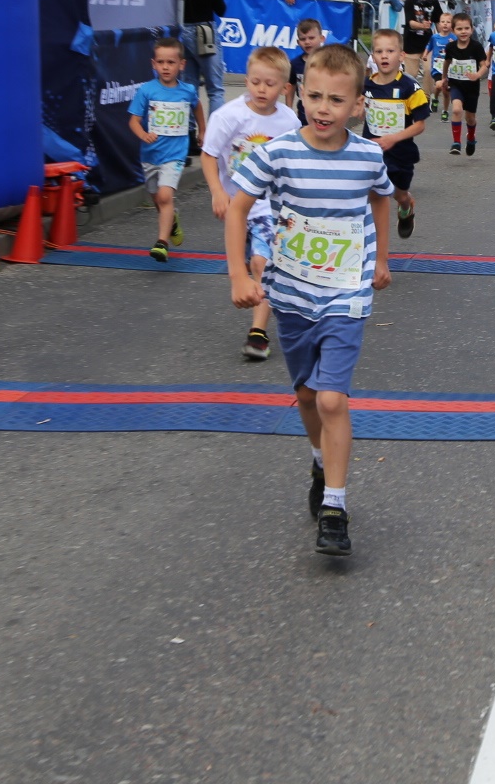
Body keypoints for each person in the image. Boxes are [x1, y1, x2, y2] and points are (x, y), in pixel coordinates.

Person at [226, 43, 394, 557]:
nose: (324, 109)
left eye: (336, 100)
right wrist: (238, 274)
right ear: (299, 94)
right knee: (304, 395)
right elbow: (237, 208)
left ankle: (335, 509)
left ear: (357, 105)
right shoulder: (277, 153)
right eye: (315, 96)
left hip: (346, 291)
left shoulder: (367, 156)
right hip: (291, 293)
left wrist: (381, 260)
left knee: (330, 398)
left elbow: (381, 198)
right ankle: (320, 463)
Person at [201, 45, 301, 361]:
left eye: (270, 84)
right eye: (256, 82)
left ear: (284, 87)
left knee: (262, 262)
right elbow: (209, 155)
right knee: (247, 262)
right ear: (246, 81)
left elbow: (295, 162)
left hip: (268, 205)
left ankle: (258, 332)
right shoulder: (228, 116)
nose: (261, 89)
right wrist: (217, 191)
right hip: (236, 204)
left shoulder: (289, 121)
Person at [129, 36, 208, 262]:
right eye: (161, 62)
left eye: (171, 62)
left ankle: (161, 243)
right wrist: (143, 134)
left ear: (181, 65)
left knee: (165, 195)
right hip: (150, 155)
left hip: (175, 155)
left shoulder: (187, 91)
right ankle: (172, 221)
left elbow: (197, 107)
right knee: (158, 199)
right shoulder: (147, 91)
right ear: (153, 64)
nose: (165, 67)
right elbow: (133, 121)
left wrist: (202, 130)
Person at [362, 29, 429, 240]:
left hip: (401, 153)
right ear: (373, 56)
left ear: (401, 56)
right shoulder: (366, 86)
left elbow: (420, 125)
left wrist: (393, 138)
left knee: (398, 194)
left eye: (390, 51)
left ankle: (406, 205)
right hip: (372, 152)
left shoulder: (410, 87)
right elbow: (358, 111)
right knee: (372, 194)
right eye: (379, 51)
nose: (384, 56)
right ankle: (370, 240)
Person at [184, 0, 229, 115]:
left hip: (183, 30)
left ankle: (189, 127)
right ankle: (215, 130)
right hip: (205, 32)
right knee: (215, 88)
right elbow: (220, 9)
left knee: (189, 86)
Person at [439, 13, 487, 156]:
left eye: (466, 28)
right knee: (456, 110)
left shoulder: (476, 47)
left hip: (472, 87)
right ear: (453, 30)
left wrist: (477, 75)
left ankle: (471, 137)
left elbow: (484, 65)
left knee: (470, 118)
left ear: (472, 29)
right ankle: (456, 143)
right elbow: (447, 63)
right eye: (459, 29)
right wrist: (444, 78)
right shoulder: (450, 47)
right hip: (456, 84)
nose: (463, 31)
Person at [401, 0, 439, 84]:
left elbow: (438, 20)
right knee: (411, 75)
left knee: (429, 70)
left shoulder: (433, 0)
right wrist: (422, 25)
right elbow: (410, 23)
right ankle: (410, 93)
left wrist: (444, 35)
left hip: (427, 41)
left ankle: (427, 94)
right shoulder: (410, 0)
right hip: (411, 41)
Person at [287, 18, 325, 108]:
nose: (307, 42)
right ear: (298, 42)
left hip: (324, 106)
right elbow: (291, 86)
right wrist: (288, 109)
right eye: (303, 39)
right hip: (303, 109)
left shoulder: (329, 61)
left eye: (311, 38)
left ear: (321, 38)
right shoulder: (295, 64)